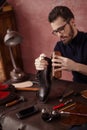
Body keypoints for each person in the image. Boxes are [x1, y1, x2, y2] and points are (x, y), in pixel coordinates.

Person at [35, 6, 87, 84]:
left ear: (72, 22)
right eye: (56, 32)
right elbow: (53, 74)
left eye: (61, 29)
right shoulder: (60, 46)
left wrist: (75, 66)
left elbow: (74, 66)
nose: (59, 35)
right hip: (78, 87)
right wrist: (42, 65)